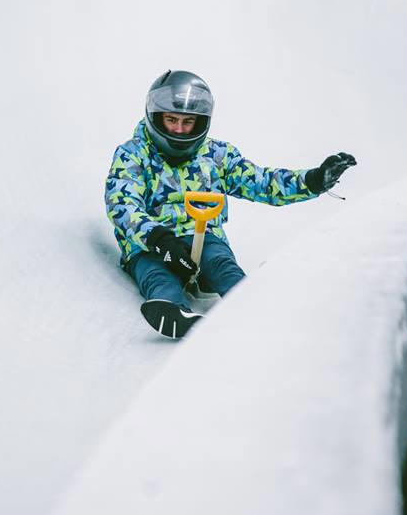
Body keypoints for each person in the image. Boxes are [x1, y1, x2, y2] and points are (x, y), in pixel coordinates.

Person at [105, 70, 356, 338]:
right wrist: (158, 238)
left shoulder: (217, 155)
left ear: (201, 122)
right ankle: (173, 311)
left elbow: (262, 183)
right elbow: (122, 202)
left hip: (204, 235)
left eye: (188, 122)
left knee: (222, 265)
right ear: (156, 117)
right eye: (171, 120)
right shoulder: (133, 154)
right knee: (158, 276)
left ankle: (247, 307)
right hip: (151, 244)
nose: (178, 129)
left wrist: (314, 180)